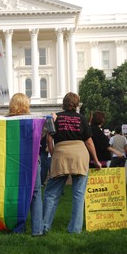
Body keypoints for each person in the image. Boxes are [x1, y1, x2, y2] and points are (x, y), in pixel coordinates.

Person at [43, 92, 102, 234]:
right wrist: (96, 160)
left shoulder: (55, 117)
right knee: (78, 194)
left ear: (64, 103)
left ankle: (44, 227)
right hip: (80, 155)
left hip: (61, 154)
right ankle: (75, 229)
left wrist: (53, 152)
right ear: (76, 104)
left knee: (51, 193)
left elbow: (49, 140)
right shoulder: (82, 119)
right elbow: (89, 141)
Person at [0, 93, 43, 236]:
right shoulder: (33, 120)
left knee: (15, 193)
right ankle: (37, 230)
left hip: (12, 162)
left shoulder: (6, 120)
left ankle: (18, 228)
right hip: (32, 161)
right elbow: (42, 135)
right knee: (35, 193)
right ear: (26, 104)